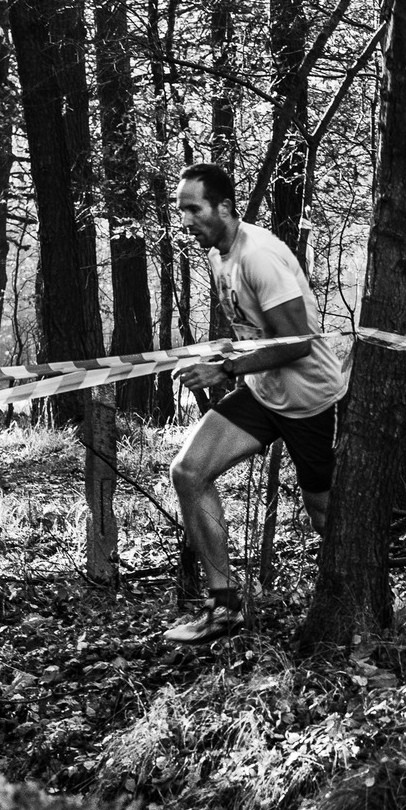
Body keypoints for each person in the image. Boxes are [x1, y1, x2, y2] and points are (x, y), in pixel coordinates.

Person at [163, 163, 350, 642]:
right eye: (181, 210)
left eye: (194, 209)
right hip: (263, 393)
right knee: (189, 472)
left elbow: (298, 343)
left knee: (323, 514)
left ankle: (353, 608)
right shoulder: (218, 254)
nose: (186, 220)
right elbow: (254, 333)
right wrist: (223, 356)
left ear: (225, 207)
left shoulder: (259, 256)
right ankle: (224, 606)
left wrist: (225, 370)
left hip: (310, 400)